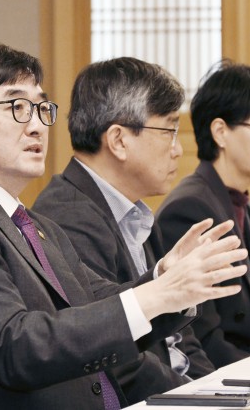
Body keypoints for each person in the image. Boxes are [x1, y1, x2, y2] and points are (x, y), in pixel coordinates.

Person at [0, 42, 248, 410]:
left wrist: (166, 280)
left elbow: (98, 304)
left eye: (40, 108)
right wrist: (157, 294)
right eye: (16, 107)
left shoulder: (33, 223)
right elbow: (15, 347)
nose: (36, 126)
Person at [33, 57, 216, 383]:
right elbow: (115, 362)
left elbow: (179, 339)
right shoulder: (68, 218)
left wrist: (213, 387)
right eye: (170, 130)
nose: (178, 149)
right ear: (118, 140)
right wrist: (197, 397)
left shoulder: (135, 210)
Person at [155, 60, 250, 368]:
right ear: (220, 132)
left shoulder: (245, 208)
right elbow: (201, 336)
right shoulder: (189, 210)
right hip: (222, 375)